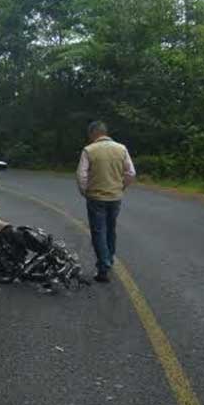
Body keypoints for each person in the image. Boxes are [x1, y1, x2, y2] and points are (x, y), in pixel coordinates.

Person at [76, 121, 136, 283]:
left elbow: (82, 175)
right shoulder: (121, 149)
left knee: (98, 231)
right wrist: (121, 187)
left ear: (93, 133)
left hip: (96, 198)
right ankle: (109, 259)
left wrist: (85, 192)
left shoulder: (89, 150)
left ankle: (104, 266)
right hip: (115, 197)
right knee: (111, 229)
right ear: (105, 132)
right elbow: (131, 172)